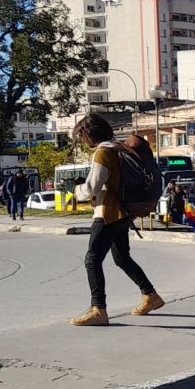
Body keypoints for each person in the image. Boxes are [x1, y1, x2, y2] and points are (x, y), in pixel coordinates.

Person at [68, 114, 163, 326]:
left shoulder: (103, 152)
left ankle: (98, 309)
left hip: (107, 214)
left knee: (92, 260)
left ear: (89, 135)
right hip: (124, 214)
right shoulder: (119, 149)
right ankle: (151, 296)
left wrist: (75, 190)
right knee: (122, 258)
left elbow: (91, 188)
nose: (82, 141)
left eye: (82, 137)